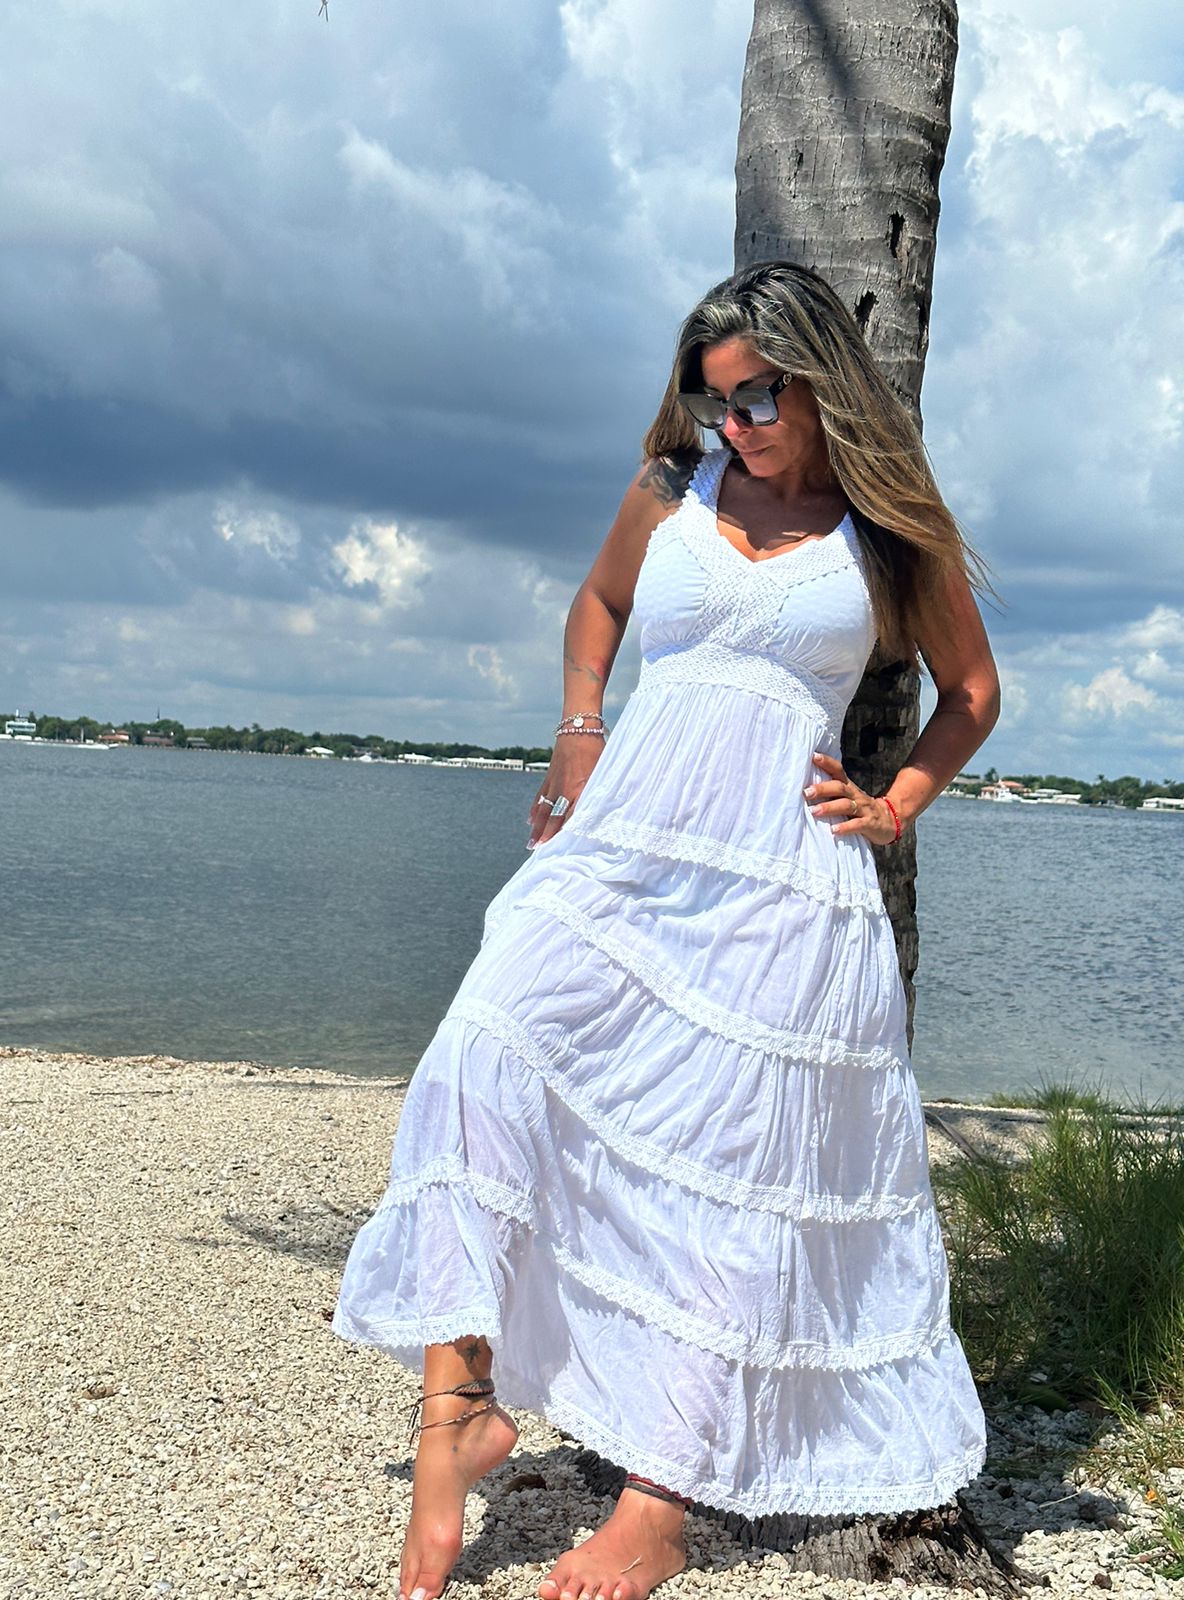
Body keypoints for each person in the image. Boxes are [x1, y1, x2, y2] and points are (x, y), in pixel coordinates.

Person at [332, 258, 1003, 1600]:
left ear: (820, 381)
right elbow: (596, 611)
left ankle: (657, 1504)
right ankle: (455, 1410)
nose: (734, 424)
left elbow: (973, 691)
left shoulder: (886, 531)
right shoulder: (668, 489)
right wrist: (580, 736)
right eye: (715, 399)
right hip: (622, 850)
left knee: (731, 1178)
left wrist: (897, 803)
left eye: (757, 398)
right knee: (483, 1056)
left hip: (784, 888)